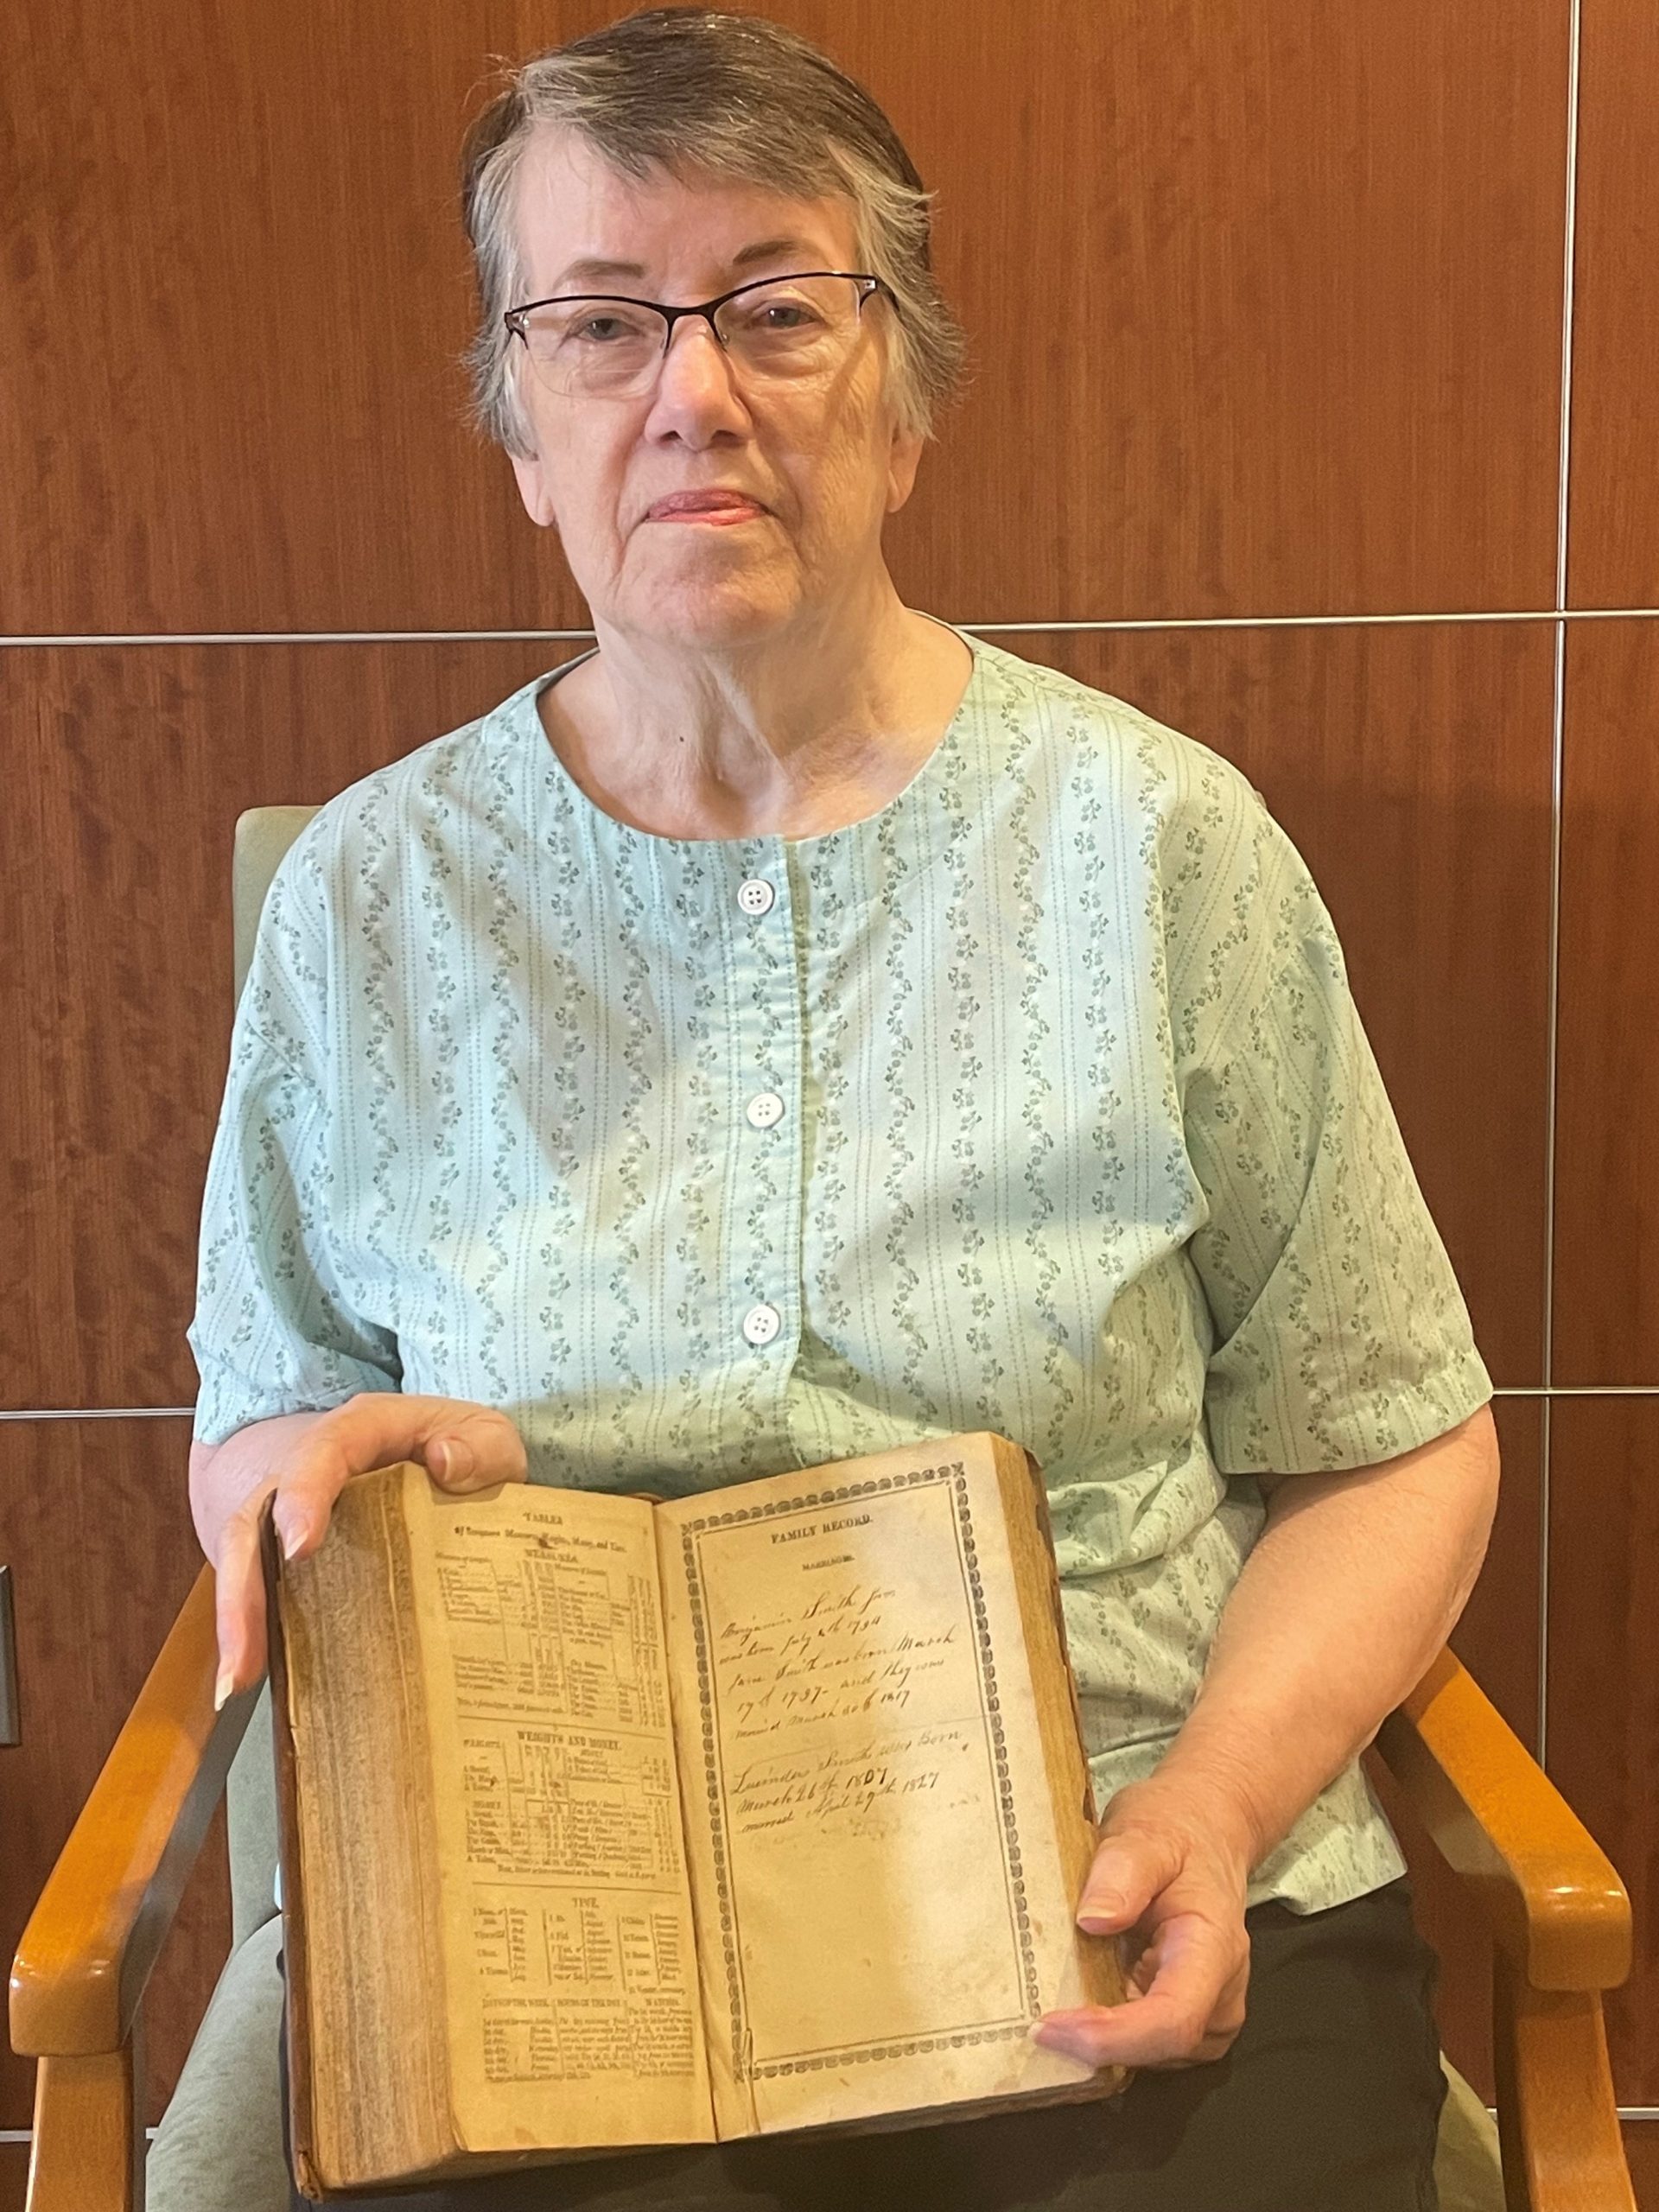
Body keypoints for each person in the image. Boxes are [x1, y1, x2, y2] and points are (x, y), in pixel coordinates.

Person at [186, 11, 1499, 2209]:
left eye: (777, 309)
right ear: (524, 432)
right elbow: (261, 1426)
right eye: (602, 324)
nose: (692, 388)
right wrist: (311, 1480)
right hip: (555, 1968)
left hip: (1110, 1893)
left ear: (901, 399)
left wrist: (1222, 1805)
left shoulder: (1161, 846)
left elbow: (1392, 1432)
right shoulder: (369, 903)